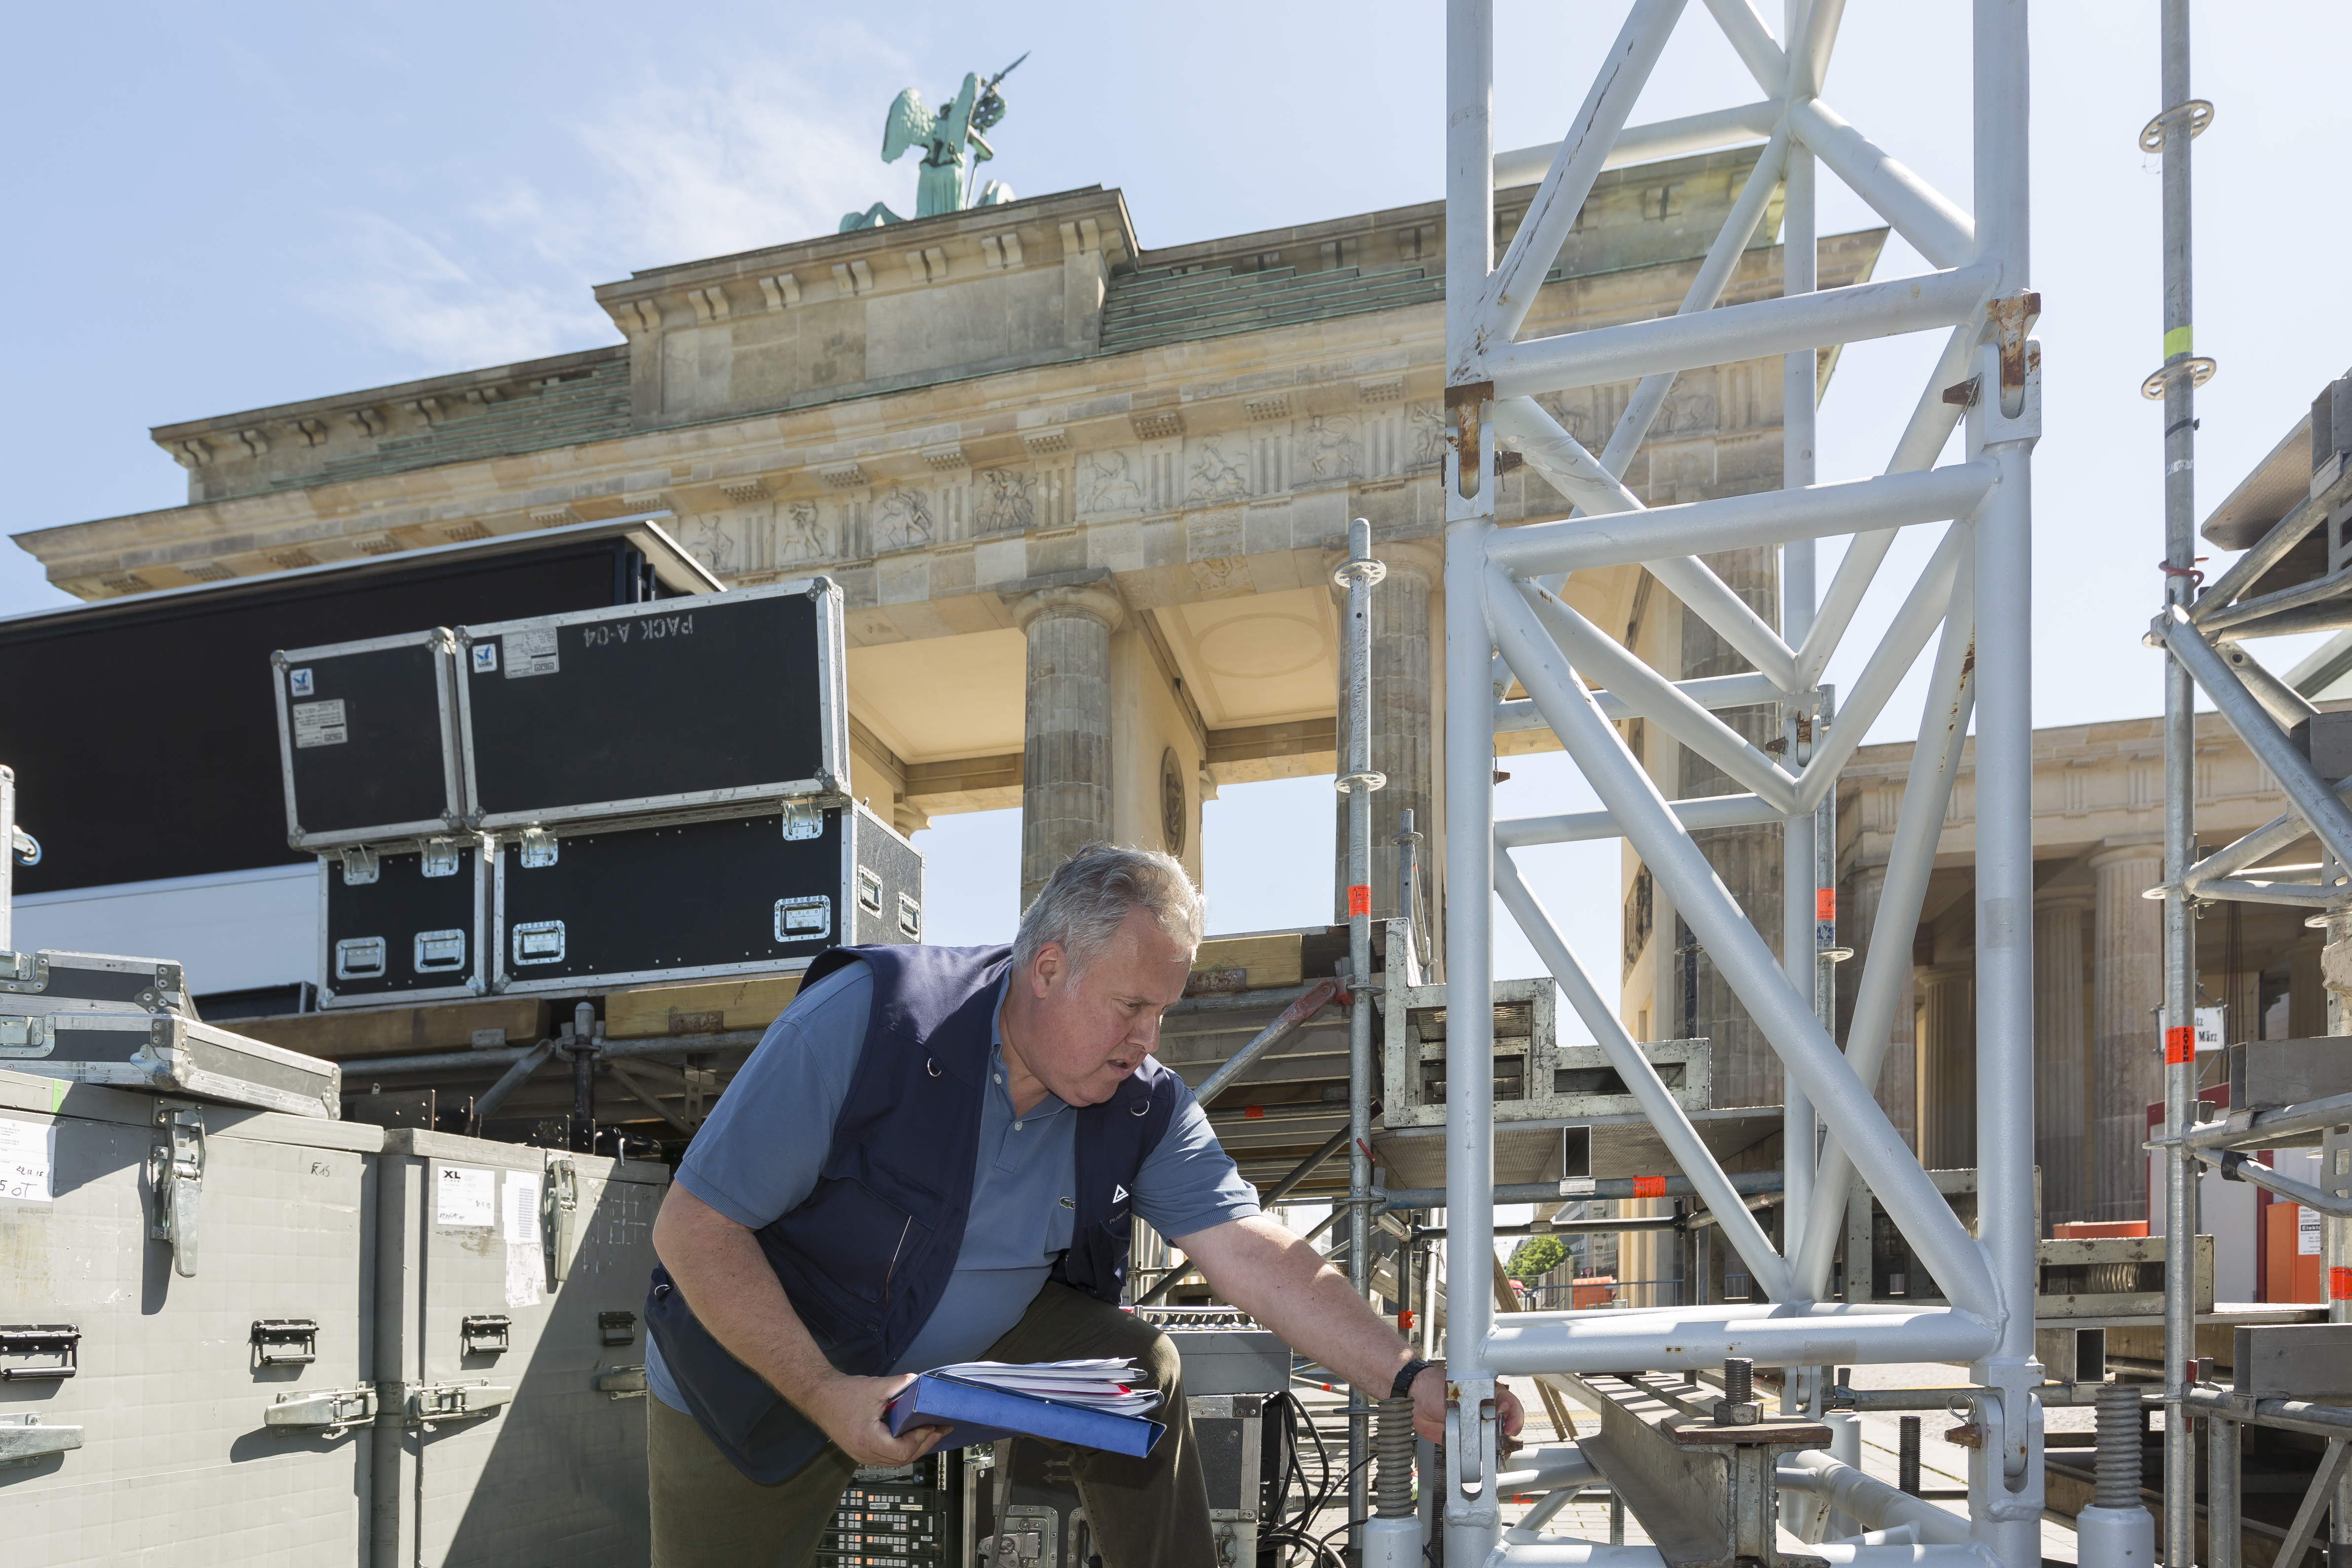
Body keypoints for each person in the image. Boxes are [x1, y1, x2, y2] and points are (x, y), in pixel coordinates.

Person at [643, 842, 1522, 1566]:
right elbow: (695, 1228)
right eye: (1132, 1006)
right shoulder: (874, 1019)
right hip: (763, 1364)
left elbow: (1254, 1249)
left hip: (954, 1347)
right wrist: (826, 1391)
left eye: (1163, 1012)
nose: (1148, 1041)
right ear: (1050, 967)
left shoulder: (1143, 1102)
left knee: (1142, 1367)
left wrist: (1408, 1373)